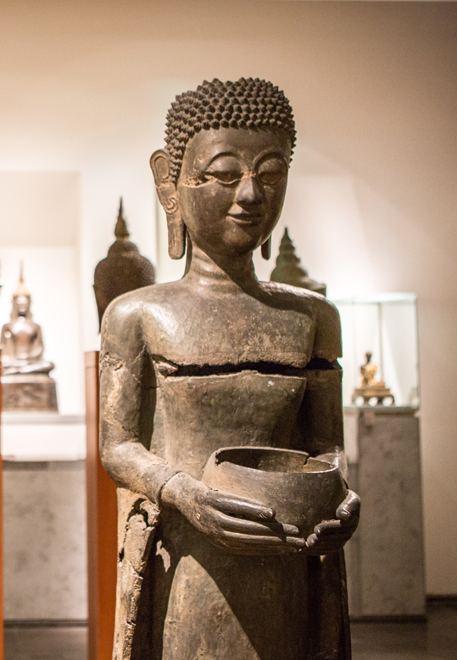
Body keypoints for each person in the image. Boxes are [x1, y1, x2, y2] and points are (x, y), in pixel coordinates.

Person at [100, 78, 359, 660]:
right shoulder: (137, 315)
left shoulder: (312, 317)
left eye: (270, 174)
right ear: (170, 184)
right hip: (191, 557)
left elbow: (325, 445)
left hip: (289, 555)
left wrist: (340, 494)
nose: (249, 194)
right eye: (223, 174)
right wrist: (186, 495)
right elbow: (118, 447)